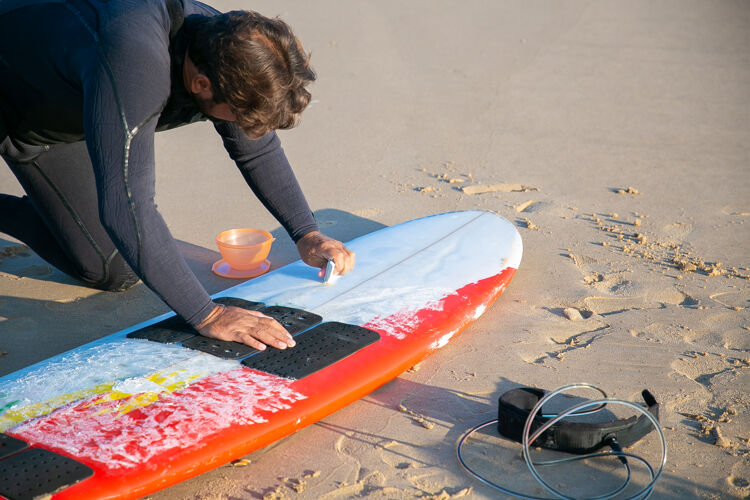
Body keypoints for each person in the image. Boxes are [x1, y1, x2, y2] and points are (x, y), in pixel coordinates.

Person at [0, 0, 355, 351]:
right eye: (236, 114)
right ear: (200, 84)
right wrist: (207, 314)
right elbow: (127, 207)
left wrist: (306, 232)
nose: (242, 126)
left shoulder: (231, 43)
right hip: (13, 93)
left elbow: (257, 147)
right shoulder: (134, 63)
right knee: (124, 224)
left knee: (110, 268)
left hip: (57, 120)